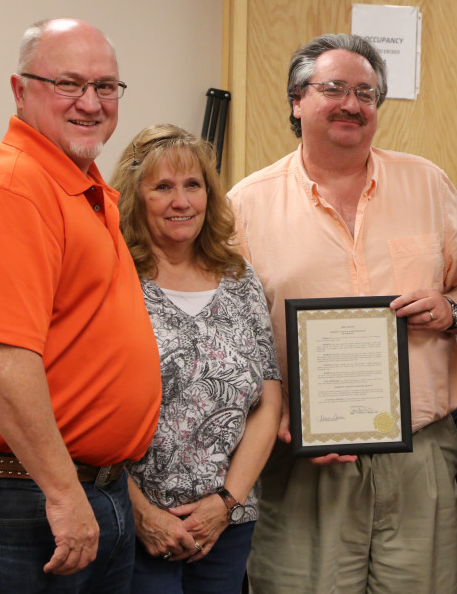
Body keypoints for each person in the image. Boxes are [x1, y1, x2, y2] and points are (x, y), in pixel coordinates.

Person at [228, 33, 457, 593]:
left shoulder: (426, 182)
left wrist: (450, 309)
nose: (352, 103)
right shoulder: (246, 204)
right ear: (297, 101)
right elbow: (227, 334)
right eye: (334, 89)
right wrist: (271, 417)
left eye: (366, 92)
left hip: (419, 452)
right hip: (304, 457)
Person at [0, 19, 162, 593]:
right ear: (19, 89)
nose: (90, 102)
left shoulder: (81, 188)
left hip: (87, 491)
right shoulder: (11, 188)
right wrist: (63, 493)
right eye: (67, 84)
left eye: (106, 87)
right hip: (21, 499)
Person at [109, 125, 282, 592]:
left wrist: (226, 502)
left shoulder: (239, 279)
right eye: (162, 187)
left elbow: (268, 399)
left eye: (193, 185)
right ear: (134, 197)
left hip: (227, 523)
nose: (181, 201)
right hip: (134, 519)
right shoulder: (112, 278)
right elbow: (84, 408)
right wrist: (143, 514)